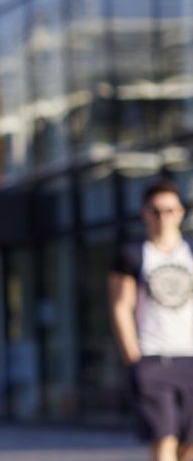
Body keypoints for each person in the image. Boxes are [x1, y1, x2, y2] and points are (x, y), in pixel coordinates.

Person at [111, 179, 193, 461]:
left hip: (191, 357)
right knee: (164, 441)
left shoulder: (191, 253)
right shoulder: (133, 255)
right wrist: (134, 359)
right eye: (156, 211)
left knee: (189, 448)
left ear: (181, 212)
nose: (163, 218)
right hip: (154, 357)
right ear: (145, 213)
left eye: (170, 210)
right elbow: (121, 306)